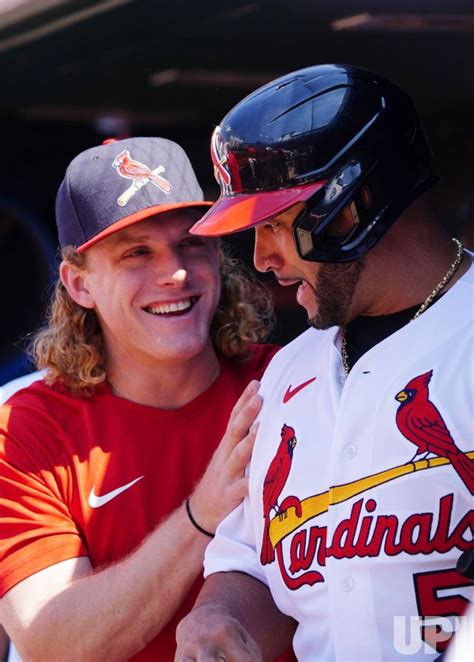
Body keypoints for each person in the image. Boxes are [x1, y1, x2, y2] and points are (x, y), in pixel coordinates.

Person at [174, 64, 474, 661]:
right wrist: (218, 615)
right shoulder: (289, 372)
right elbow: (252, 562)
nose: (261, 258)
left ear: (352, 206)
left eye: (276, 225)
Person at [0, 136, 281, 661]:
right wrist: (202, 513)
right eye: (137, 252)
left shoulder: (288, 381)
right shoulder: (27, 427)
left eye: (192, 242)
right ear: (78, 284)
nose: (174, 271)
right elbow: (56, 644)